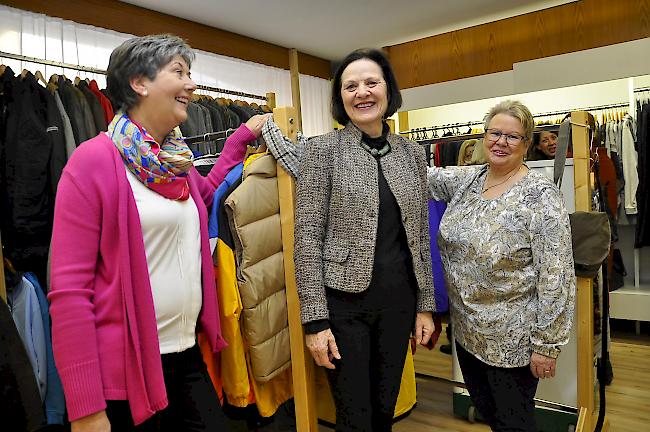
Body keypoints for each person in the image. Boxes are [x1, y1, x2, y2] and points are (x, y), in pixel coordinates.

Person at [48, 34, 270, 432]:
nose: (191, 85)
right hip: (123, 374)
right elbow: (68, 292)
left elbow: (210, 193)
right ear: (139, 82)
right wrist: (85, 407)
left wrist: (239, 141)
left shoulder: (175, 162)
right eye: (179, 72)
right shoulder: (93, 162)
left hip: (186, 355)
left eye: (190, 73)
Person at [294, 48, 436, 432]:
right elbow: (306, 238)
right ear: (340, 98)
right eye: (351, 86)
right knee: (355, 418)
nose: (362, 92)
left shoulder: (411, 154)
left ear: (388, 89)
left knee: (384, 412)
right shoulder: (321, 151)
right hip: (342, 307)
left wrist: (425, 306)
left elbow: (419, 236)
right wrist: (314, 322)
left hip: (397, 305)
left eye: (371, 82)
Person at [427, 100, 575, 432]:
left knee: (514, 423)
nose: (501, 142)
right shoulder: (469, 180)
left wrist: (547, 346)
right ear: (484, 136)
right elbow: (419, 177)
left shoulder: (540, 196)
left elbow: (557, 275)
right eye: (495, 133)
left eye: (512, 136)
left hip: (514, 342)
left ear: (526, 143)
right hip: (467, 334)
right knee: (491, 416)